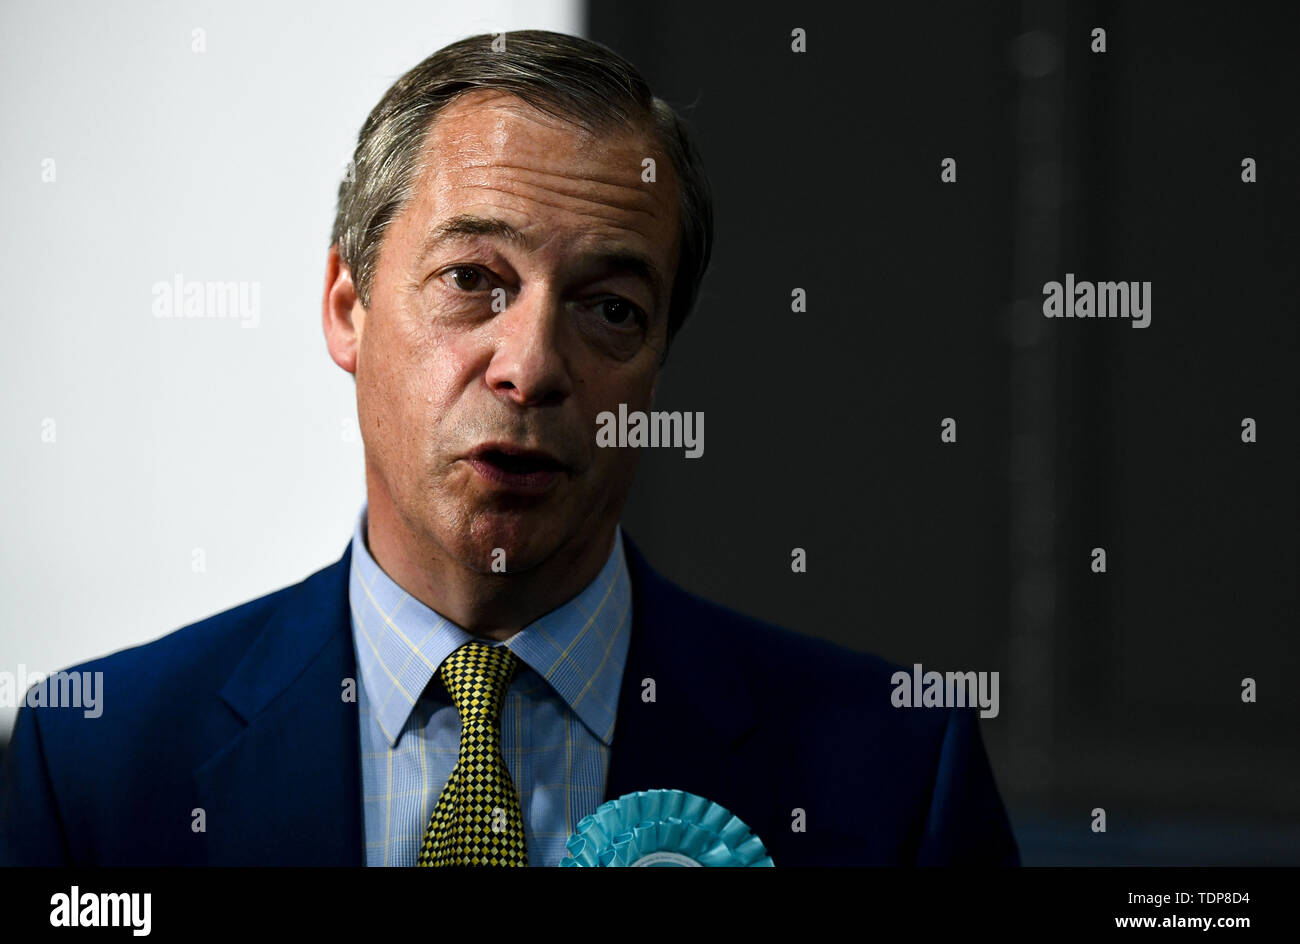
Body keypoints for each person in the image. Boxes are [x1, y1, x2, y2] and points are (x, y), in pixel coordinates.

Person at [0, 29, 1018, 867]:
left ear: (657, 367)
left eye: (610, 307)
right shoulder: (91, 764)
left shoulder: (891, 774)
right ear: (346, 307)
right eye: (473, 280)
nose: (530, 367)